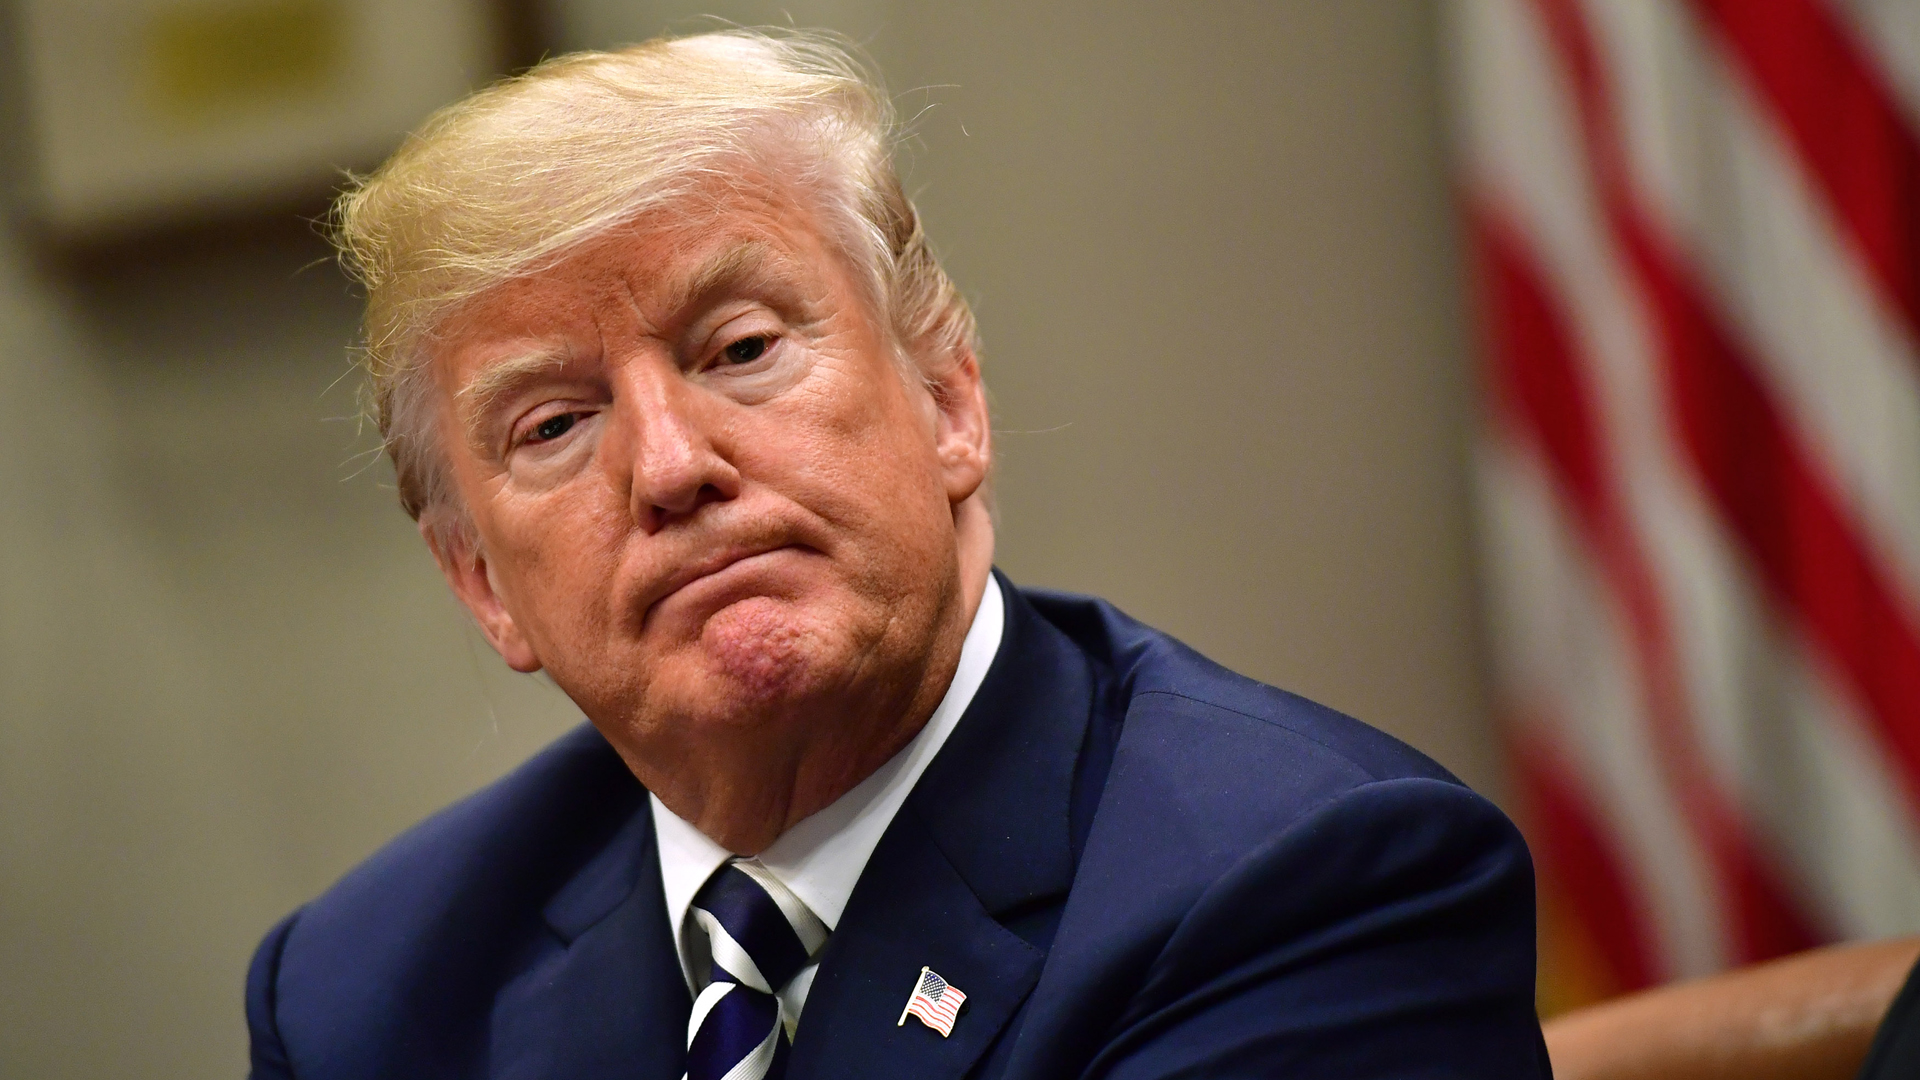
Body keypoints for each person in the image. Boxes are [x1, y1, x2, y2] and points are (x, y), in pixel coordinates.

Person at [245, 29, 1548, 1079]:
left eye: (742, 348)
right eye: (555, 424)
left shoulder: (1306, 889)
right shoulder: (367, 994)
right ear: (481, 582)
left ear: (947, 396)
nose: (669, 465)